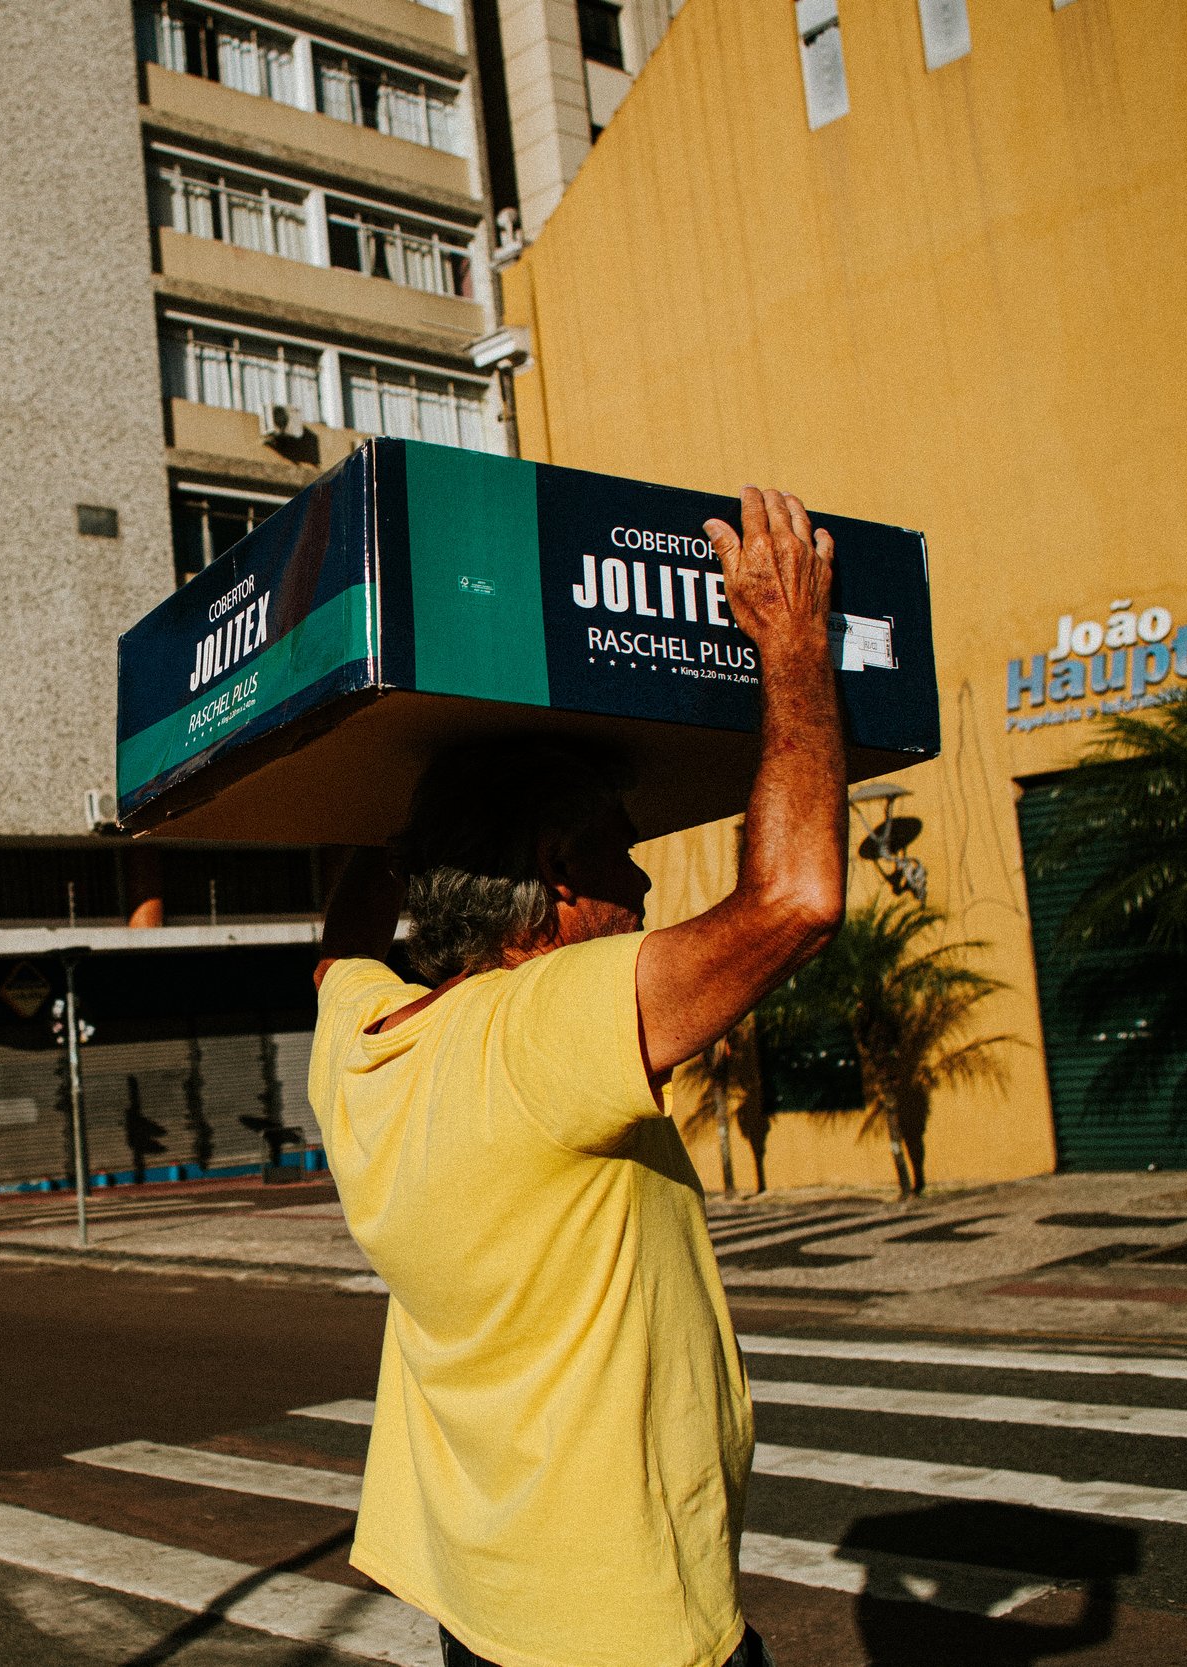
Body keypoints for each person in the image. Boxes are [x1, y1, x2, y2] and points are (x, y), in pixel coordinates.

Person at [308, 488, 847, 1667]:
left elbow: (340, 946)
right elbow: (797, 900)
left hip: (481, 1600)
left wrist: (377, 786)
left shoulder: (360, 1040)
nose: (644, 885)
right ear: (555, 874)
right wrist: (794, 649)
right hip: (622, 1627)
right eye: (620, 851)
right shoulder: (539, 1025)